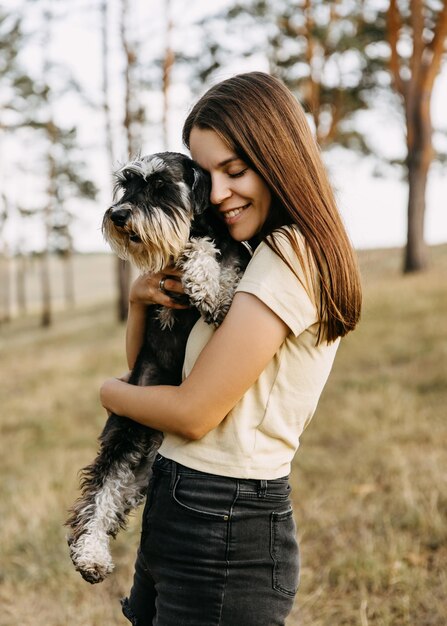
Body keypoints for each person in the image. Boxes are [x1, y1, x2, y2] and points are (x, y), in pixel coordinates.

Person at [100, 71, 362, 626]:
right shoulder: (244, 257)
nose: (215, 196)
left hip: (224, 520)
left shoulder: (289, 255)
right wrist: (139, 302)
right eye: (205, 176)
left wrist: (106, 393)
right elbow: (153, 370)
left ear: (279, 158)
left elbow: (192, 412)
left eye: (235, 171)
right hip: (182, 499)